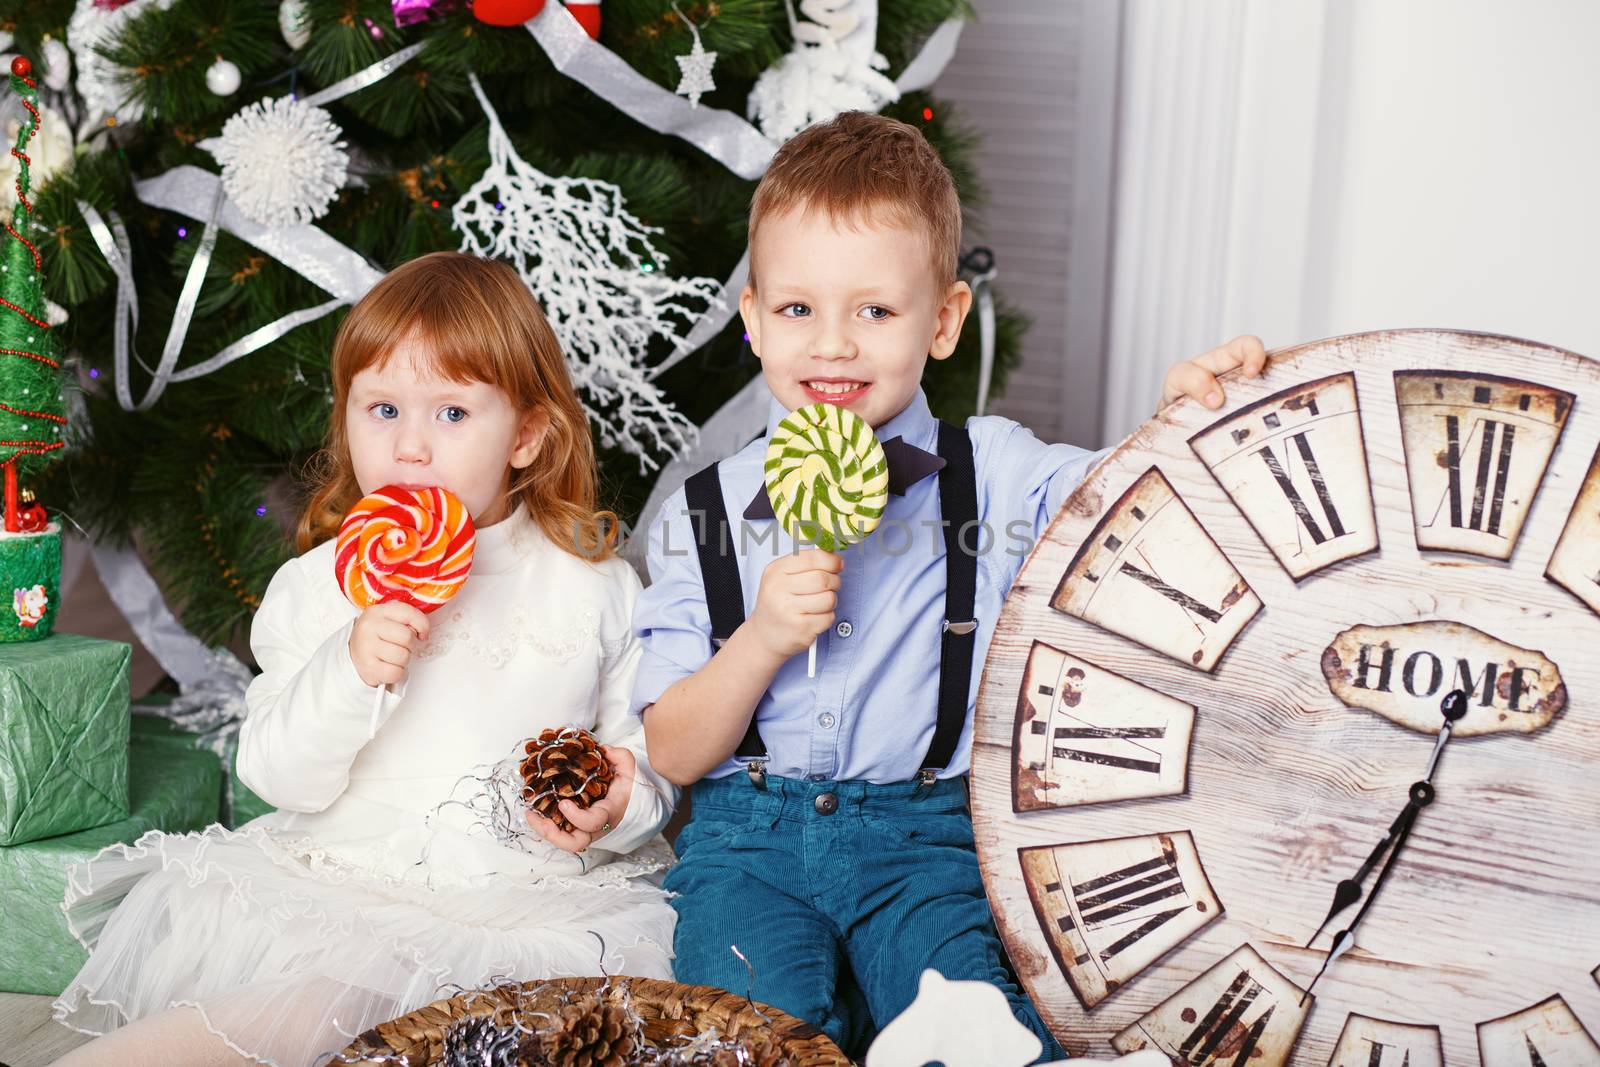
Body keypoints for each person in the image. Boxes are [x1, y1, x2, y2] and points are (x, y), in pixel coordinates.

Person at [631, 111, 1268, 1060]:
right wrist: (760, 637)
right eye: (798, 309)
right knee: (743, 1033)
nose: (834, 345)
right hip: (745, 849)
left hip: (926, 842)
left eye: (875, 310)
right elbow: (673, 751)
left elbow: (1132, 508)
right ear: (754, 319)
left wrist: (1182, 412)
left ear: (943, 321)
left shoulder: (997, 473)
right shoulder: (703, 514)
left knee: (974, 1030)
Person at [52, 252, 677, 1067]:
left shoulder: (598, 589)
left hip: (532, 913)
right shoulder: (317, 589)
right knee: (324, 1006)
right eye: (381, 407)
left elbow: (647, 768)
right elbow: (277, 774)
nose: (410, 446)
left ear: (527, 435)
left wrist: (616, 806)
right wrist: (348, 671)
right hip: (346, 897)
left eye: (452, 413)